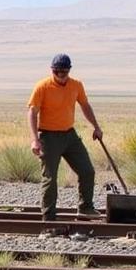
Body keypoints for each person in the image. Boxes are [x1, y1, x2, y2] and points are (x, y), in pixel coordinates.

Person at [27, 53, 102, 221]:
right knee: (50, 178)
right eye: (57, 71)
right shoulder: (42, 86)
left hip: (70, 135)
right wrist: (35, 139)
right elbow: (32, 112)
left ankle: (85, 208)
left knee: (87, 171)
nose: (61, 75)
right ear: (52, 70)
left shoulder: (76, 85)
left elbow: (85, 105)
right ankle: (49, 216)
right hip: (48, 137)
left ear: (69, 70)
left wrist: (96, 127)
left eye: (64, 71)